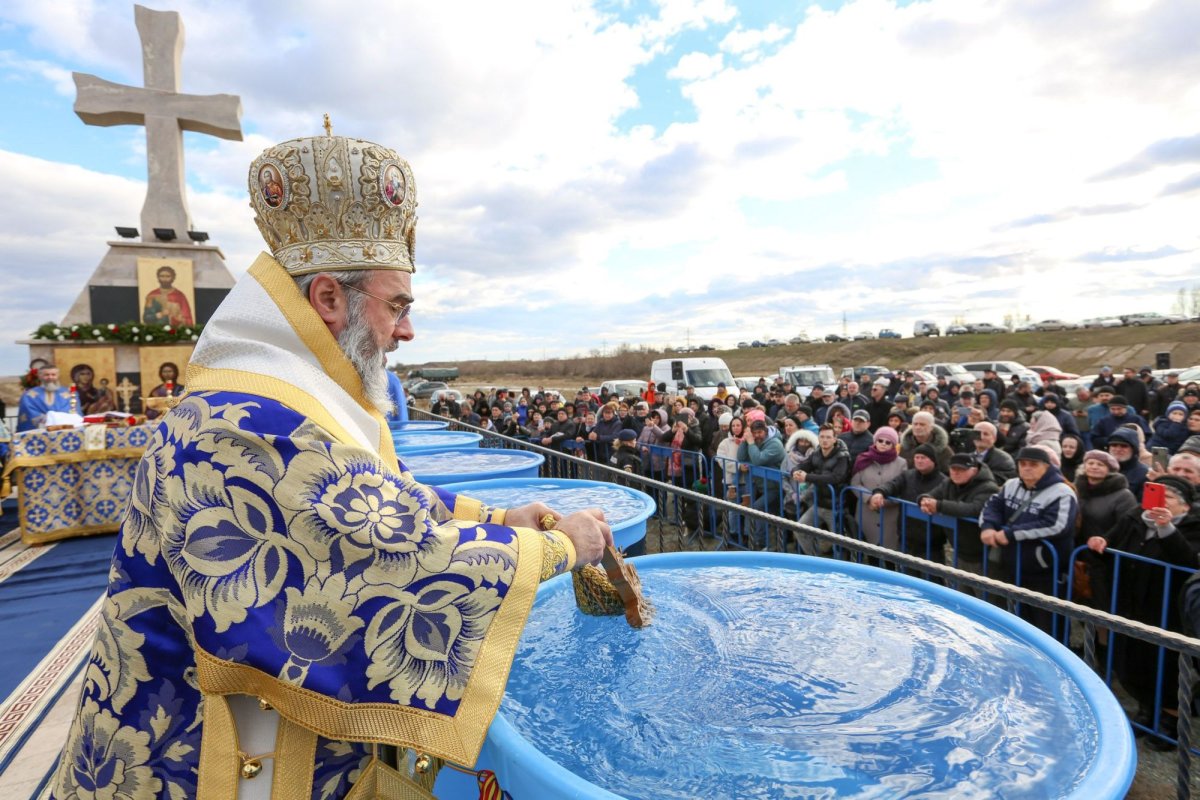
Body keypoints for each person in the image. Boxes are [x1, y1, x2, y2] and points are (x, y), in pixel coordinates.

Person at [50, 133, 612, 800]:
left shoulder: (279, 398)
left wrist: (496, 517)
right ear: (327, 300)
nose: (407, 332)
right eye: (398, 305)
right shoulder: (252, 421)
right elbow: (388, 560)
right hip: (213, 767)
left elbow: (364, 499)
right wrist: (557, 546)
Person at [1087, 476, 1200, 743]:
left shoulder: (1194, 525)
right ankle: (1146, 711)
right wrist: (1099, 543)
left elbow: (1189, 563)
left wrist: (1167, 529)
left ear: (1184, 506)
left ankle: (1171, 720)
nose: (1160, 503)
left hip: (1170, 608)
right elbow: (1110, 543)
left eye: (1168, 498)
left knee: (1168, 666)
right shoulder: (1135, 516)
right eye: (1156, 495)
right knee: (1135, 660)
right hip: (1131, 602)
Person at [980, 447, 1078, 634]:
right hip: (1012, 564)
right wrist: (988, 527)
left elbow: (1056, 524)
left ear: (1047, 467)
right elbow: (993, 505)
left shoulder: (1062, 492)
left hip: (1045, 570)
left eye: (1033, 465)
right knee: (1017, 618)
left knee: (1046, 622)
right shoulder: (1011, 484)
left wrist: (1011, 533)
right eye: (1022, 464)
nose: (1027, 468)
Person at [918, 453, 999, 585]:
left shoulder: (988, 487)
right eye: (953, 469)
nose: (955, 473)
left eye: (961, 470)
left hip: (982, 554)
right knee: (961, 592)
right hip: (960, 550)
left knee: (984, 597)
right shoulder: (948, 483)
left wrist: (938, 505)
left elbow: (973, 509)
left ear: (974, 470)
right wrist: (923, 500)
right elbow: (932, 494)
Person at [793, 424, 851, 554]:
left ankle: (840, 570)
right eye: (822, 437)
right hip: (818, 503)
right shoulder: (817, 452)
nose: (825, 440)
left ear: (835, 439)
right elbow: (804, 465)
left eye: (828, 437)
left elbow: (835, 478)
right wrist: (795, 472)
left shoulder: (842, 456)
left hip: (836, 506)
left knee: (839, 543)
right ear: (818, 438)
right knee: (799, 529)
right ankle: (815, 560)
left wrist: (807, 477)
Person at [849, 426, 906, 551]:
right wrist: (869, 498)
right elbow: (855, 483)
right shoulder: (862, 459)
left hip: (890, 517)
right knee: (869, 554)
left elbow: (903, 489)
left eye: (888, 442)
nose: (883, 444)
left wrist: (884, 501)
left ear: (893, 444)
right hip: (866, 513)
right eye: (880, 440)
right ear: (875, 441)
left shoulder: (902, 464)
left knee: (890, 556)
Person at [16, 363, 72, 431]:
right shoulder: (28, 395)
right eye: (46, 375)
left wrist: (55, 419)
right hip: (39, 431)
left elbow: (72, 411)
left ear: (58, 376)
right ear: (40, 376)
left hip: (64, 430)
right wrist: (48, 420)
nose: (50, 377)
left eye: (53, 375)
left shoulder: (68, 393)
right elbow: (28, 412)